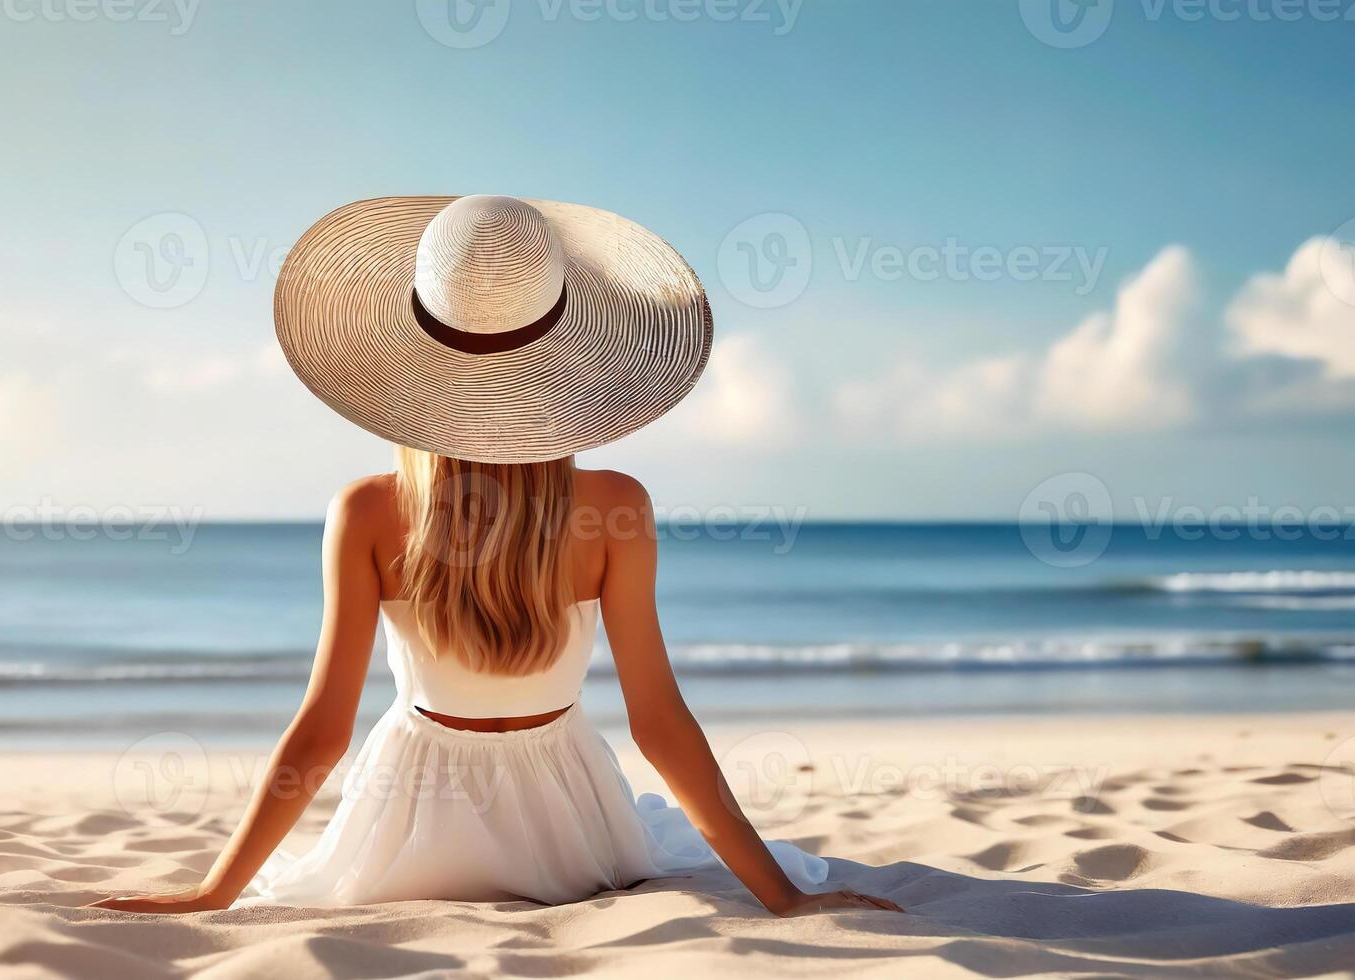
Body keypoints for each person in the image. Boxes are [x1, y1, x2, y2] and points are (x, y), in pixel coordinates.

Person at [94, 195, 901, 916]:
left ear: (409, 362)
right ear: (565, 359)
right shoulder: (616, 506)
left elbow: (322, 733)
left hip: (412, 827)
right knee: (658, 831)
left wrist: (216, 892)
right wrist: (780, 895)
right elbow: (660, 728)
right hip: (574, 827)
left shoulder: (370, 510)